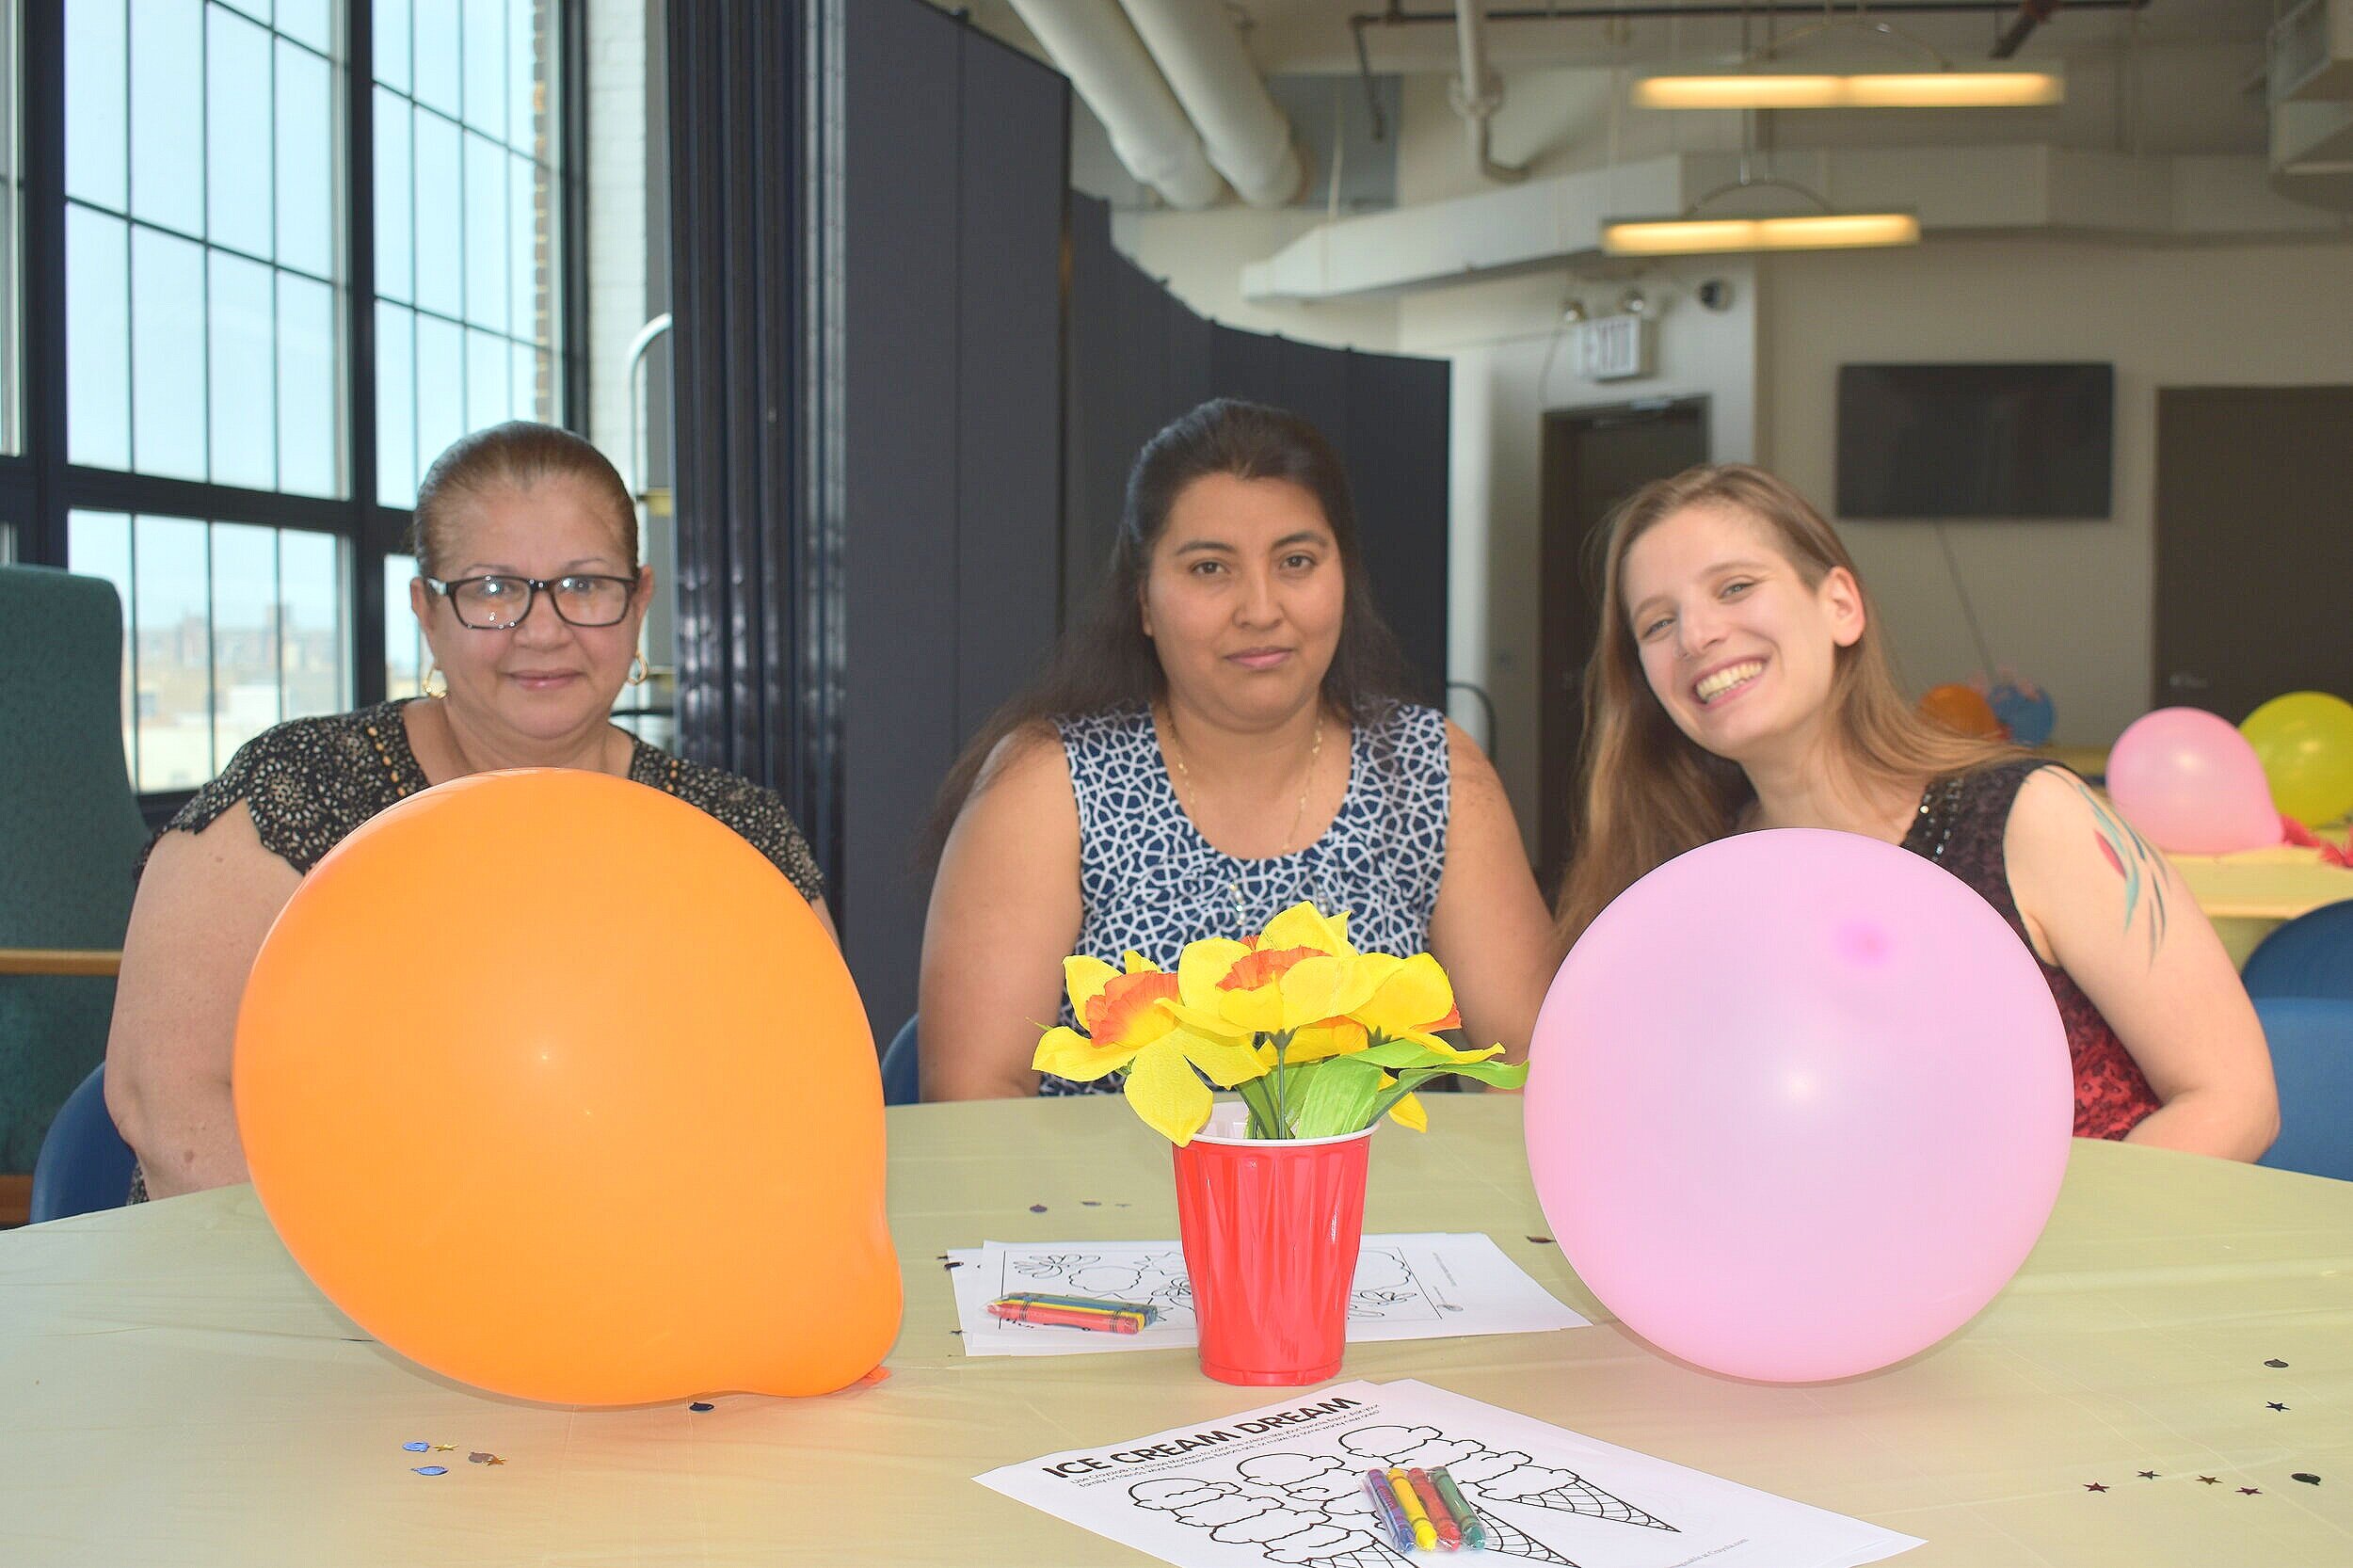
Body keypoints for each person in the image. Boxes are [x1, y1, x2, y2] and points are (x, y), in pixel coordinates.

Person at [105, 423, 833, 1198]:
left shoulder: (734, 831)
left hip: (648, 1281)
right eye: (493, 589)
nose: (545, 630)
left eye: (585, 584)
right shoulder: (302, 791)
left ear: (640, 602)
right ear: (426, 609)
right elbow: (166, 1103)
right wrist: (383, 1279)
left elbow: (816, 1099)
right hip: (302, 1285)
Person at [1555, 462, 2276, 1158]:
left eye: (1735, 587)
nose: (1696, 635)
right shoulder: (1686, 888)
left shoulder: (2031, 817)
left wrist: (2060, 1264)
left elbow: (2232, 1099)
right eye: (1656, 623)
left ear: (1841, 605)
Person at [919, 398, 1555, 1101]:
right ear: (1144, 601)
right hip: (1105, 1210)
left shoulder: (1427, 770)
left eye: (1296, 561)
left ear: (1344, 574)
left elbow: (1527, 1064)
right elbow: (976, 1094)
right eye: (1209, 570)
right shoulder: (1048, 784)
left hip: (1375, 1212)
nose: (1260, 607)